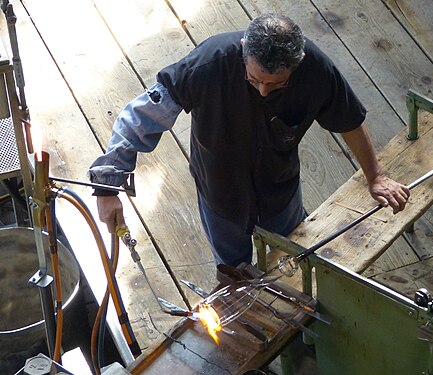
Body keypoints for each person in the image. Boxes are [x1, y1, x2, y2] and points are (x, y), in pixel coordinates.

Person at [88, 14, 410, 267]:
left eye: (276, 84)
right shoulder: (206, 65)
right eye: (254, 79)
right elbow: (139, 118)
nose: (263, 91)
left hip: (280, 189)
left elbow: (350, 121)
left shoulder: (315, 70)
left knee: (297, 260)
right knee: (233, 276)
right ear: (244, 47)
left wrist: (376, 177)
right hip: (220, 194)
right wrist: (107, 185)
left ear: (295, 66)